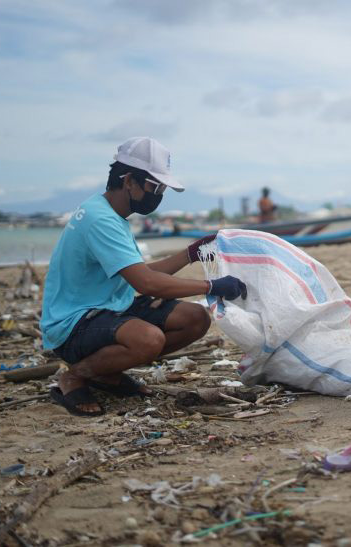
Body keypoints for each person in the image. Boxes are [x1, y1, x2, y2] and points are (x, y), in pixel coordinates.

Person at [40, 137, 247, 417]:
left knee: (195, 319)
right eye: (154, 186)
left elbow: (142, 273)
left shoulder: (110, 213)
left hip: (110, 307)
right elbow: (146, 283)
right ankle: (75, 376)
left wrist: (191, 254)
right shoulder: (100, 219)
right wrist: (211, 286)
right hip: (73, 324)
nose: (159, 195)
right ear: (128, 181)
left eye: (162, 188)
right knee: (148, 339)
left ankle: (106, 373)